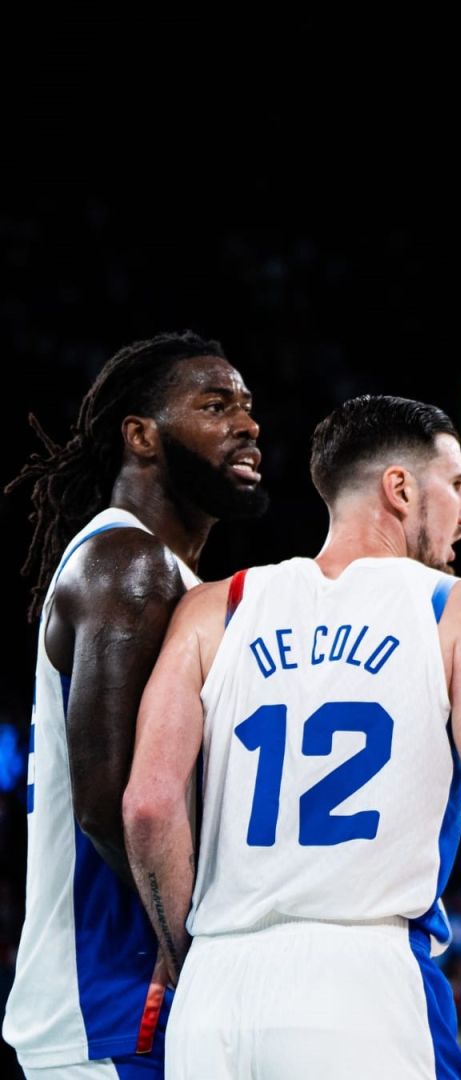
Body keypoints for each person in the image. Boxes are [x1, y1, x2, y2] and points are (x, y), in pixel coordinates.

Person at [122, 395, 461, 1079]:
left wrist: (185, 957)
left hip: (214, 992)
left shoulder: (213, 608)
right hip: (365, 988)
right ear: (400, 489)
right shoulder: (459, 609)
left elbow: (148, 806)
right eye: (457, 484)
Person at [3, 332, 267, 1078]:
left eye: (247, 407)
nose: (247, 424)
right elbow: (112, 803)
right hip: (118, 1005)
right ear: (141, 436)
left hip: (134, 1009)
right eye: (214, 406)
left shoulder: (169, 577)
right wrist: (200, 950)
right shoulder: (128, 563)